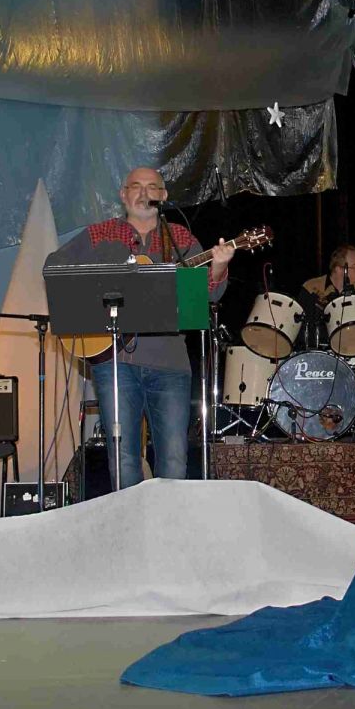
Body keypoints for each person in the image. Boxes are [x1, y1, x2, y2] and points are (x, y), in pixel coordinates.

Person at [46, 167, 235, 488]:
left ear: (164, 196)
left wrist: (218, 266)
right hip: (114, 363)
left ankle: (168, 521)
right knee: (123, 459)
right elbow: (55, 267)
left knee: (174, 460)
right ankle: (128, 521)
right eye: (136, 186)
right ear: (123, 195)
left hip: (170, 363)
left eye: (152, 187)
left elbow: (209, 294)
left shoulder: (181, 239)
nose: (144, 193)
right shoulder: (99, 234)